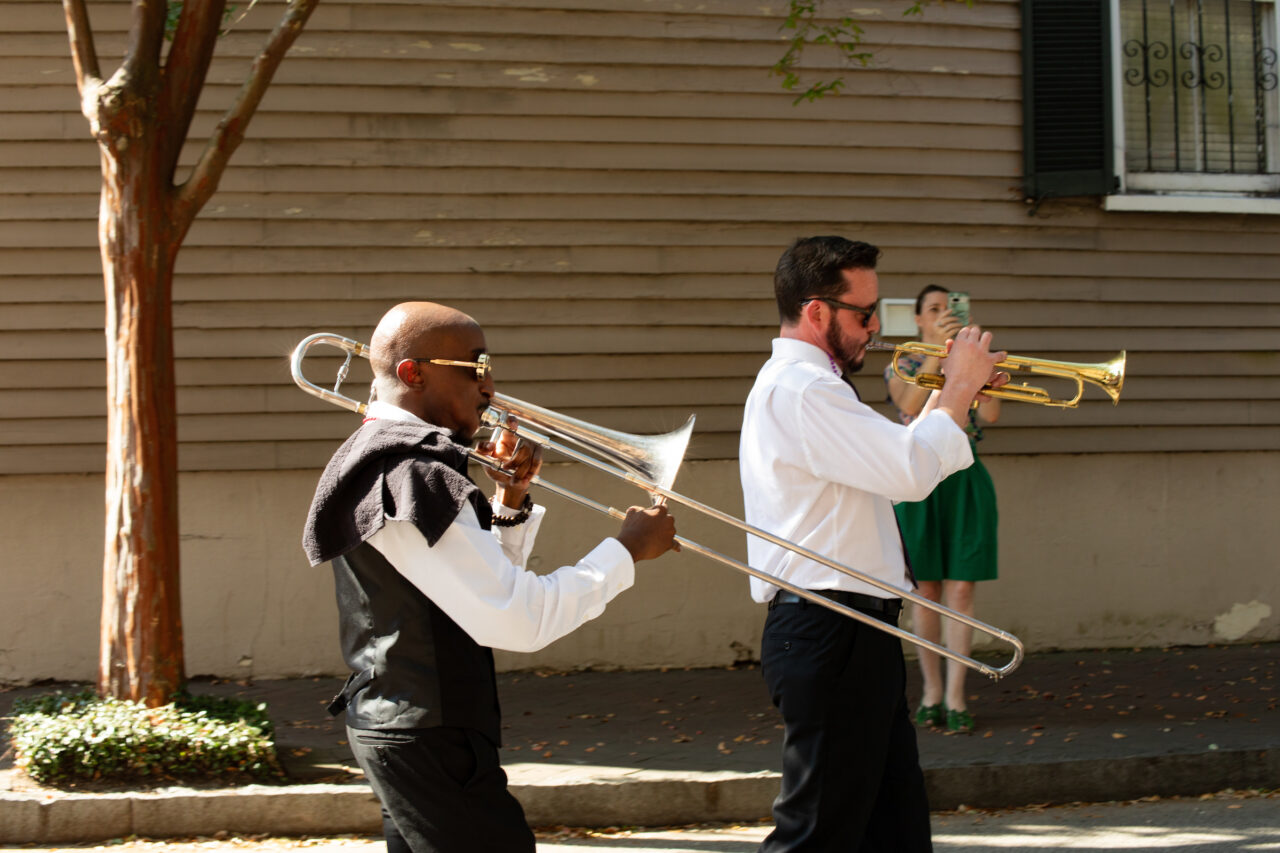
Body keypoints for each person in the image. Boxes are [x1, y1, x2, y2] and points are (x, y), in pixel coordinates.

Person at [301, 302, 678, 853]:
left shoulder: (389, 459)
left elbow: (476, 592)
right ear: (413, 373)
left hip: (408, 725)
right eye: (475, 370)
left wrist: (509, 502)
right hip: (427, 733)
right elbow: (518, 620)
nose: (491, 389)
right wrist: (623, 553)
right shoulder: (413, 473)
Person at [739, 237, 1007, 852]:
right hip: (830, 627)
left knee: (895, 830)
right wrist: (962, 387)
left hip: (854, 629)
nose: (874, 331)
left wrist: (946, 386)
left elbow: (902, 455)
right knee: (817, 837)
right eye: (864, 315)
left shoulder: (815, 387)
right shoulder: (804, 389)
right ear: (816, 313)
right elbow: (910, 475)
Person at [885, 285, 1001, 735]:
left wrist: (975, 371)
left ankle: (956, 696)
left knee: (961, 592)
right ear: (918, 320)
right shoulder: (906, 362)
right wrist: (939, 355)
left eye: (947, 308)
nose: (941, 314)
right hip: (919, 477)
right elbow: (907, 405)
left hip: (965, 477)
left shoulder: (972, 361)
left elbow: (990, 415)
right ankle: (932, 692)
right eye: (932, 309)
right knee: (925, 592)